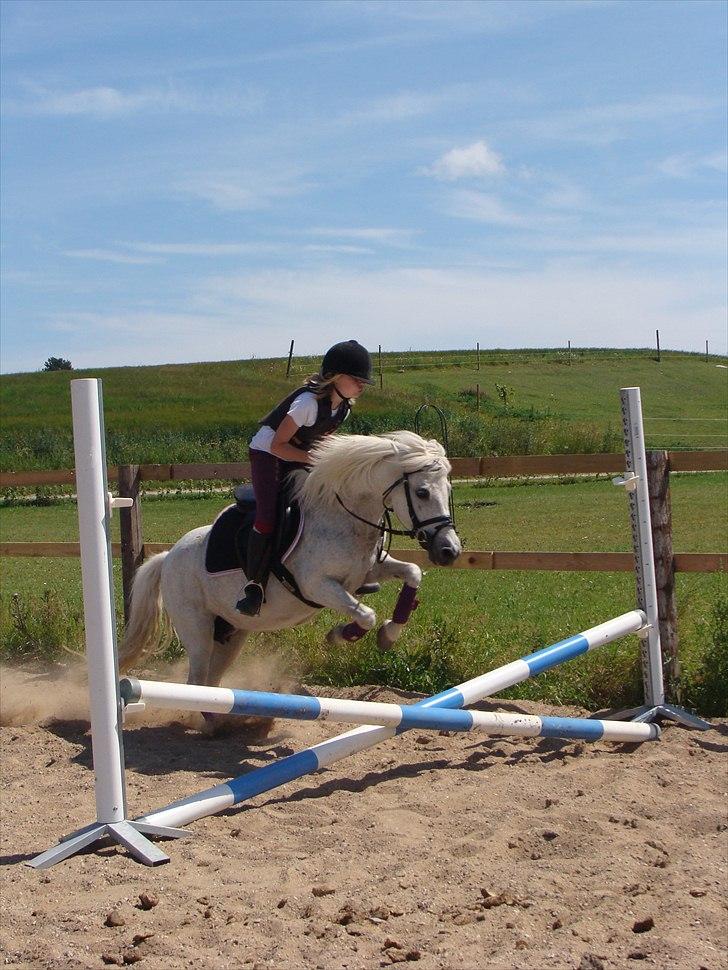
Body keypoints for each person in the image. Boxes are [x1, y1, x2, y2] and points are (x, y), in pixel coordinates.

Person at [235, 339, 375, 616]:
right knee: (267, 517)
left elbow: (319, 445)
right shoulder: (306, 404)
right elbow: (278, 446)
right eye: (356, 379)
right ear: (335, 376)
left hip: (297, 452)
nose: (361, 385)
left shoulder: (343, 408)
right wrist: (314, 460)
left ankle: (351, 571)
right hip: (268, 454)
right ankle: (254, 586)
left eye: (363, 381)